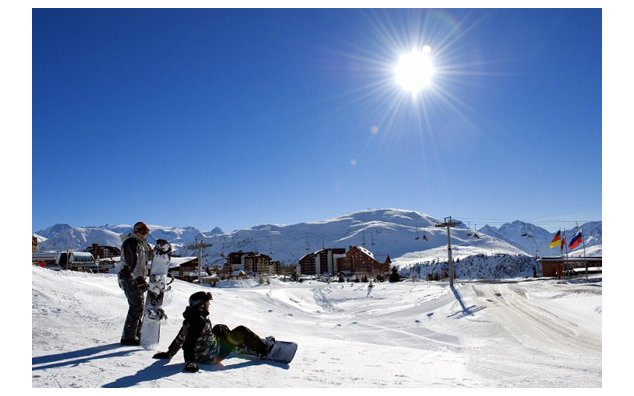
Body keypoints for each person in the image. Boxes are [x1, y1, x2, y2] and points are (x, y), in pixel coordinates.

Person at [152, 291, 275, 373]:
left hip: (207, 350)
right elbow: (189, 342)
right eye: (207, 302)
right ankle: (264, 350)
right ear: (201, 305)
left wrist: (169, 353)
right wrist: (191, 362)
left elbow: (181, 338)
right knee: (241, 330)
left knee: (220, 328)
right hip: (212, 356)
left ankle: (240, 345)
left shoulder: (191, 318)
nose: (209, 304)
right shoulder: (198, 322)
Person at [118, 221, 153, 346]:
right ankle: (128, 337)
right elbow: (131, 263)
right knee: (136, 305)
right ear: (136, 231)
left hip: (137, 277)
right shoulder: (130, 242)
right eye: (142, 231)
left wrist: (161, 250)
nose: (145, 234)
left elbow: (151, 257)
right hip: (128, 276)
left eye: (147, 231)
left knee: (139, 306)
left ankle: (136, 334)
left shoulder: (143, 244)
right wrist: (138, 278)